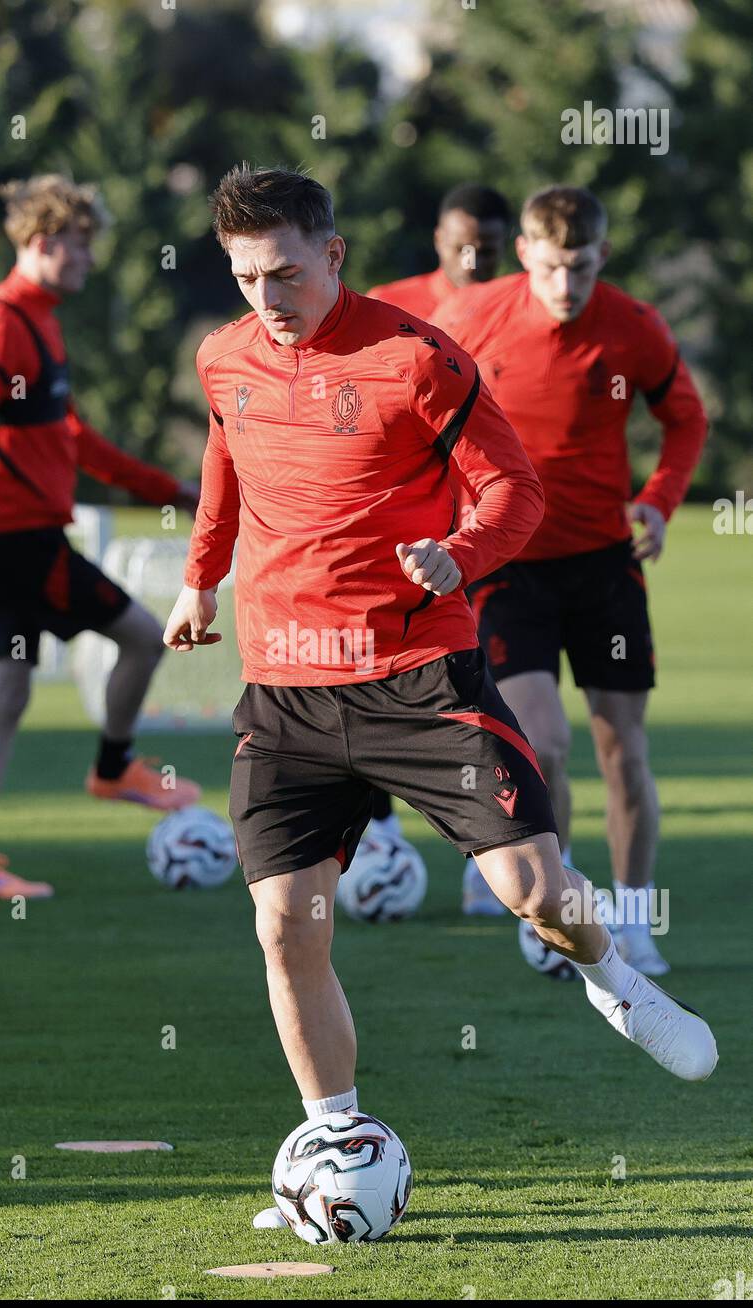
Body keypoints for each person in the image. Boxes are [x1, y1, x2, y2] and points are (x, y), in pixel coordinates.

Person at [163, 165, 717, 1228]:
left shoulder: (418, 357)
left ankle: (615, 981)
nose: (267, 298)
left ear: (333, 254)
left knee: (532, 889)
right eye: (245, 277)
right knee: (285, 924)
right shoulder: (222, 356)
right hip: (286, 688)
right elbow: (225, 455)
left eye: (285, 272)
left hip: (417, 677)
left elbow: (515, 489)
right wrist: (200, 578)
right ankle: (334, 1140)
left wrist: (459, 555)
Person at [434, 186, 708, 970]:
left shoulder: (634, 326)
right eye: (551, 266)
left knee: (623, 750)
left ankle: (635, 920)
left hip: (605, 567)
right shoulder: (472, 318)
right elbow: (418, 413)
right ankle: (561, 902)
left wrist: (659, 501)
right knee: (543, 743)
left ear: (602, 257)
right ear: (524, 253)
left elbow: (686, 417)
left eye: (581, 267)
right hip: (507, 565)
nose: (566, 285)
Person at [0, 175, 201, 901]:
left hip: (10, 538)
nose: (89, 260)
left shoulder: (40, 320)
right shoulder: (0, 325)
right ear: (44, 243)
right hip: (18, 540)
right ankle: (112, 769)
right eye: (80, 246)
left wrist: (166, 489)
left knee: (6, 692)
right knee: (143, 637)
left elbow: (71, 438)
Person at [363, 183, 512, 859]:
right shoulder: (391, 308)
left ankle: (495, 845)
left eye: (488, 248)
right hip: (403, 532)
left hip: (486, 534)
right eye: (462, 247)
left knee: (482, 687)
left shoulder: (521, 309)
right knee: (375, 673)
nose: (474, 261)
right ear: (438, 242)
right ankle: (379, 833)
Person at [366, 183, 512, 319]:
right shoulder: (386, 306)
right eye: (460, 249)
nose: (470, 266)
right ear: (438, 239)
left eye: (486, 252)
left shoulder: (515, 311)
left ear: (505, 245)